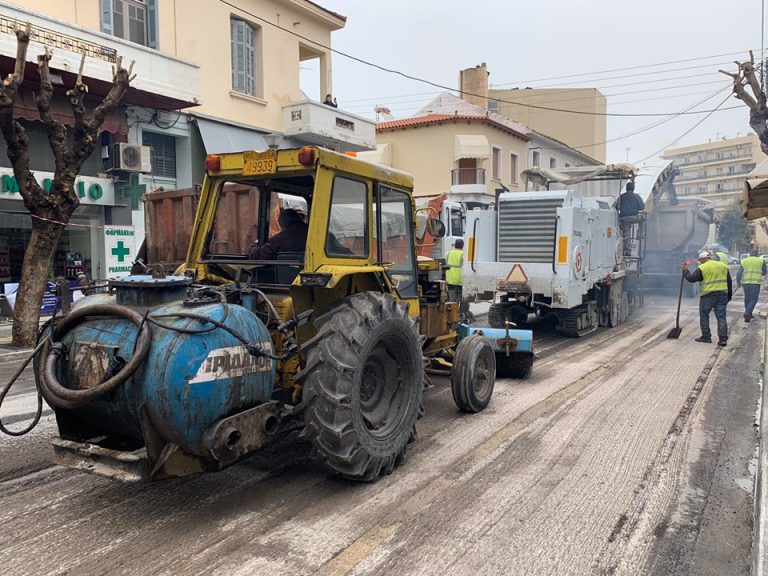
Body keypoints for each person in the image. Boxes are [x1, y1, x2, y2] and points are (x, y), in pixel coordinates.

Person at [683, 251, 733, 346]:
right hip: (722, 295)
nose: (700, 262)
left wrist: (685, 271)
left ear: (702, 259)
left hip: (707, 296)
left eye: (700, 260)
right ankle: (723, 339)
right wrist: (729, 296)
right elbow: (729, 282)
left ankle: (706, 337)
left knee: (704, 315)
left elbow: (692, 278)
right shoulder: (722, 265)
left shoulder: (702, 267)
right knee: (721, 317)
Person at [737, 248, 766, 322]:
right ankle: (748, 312)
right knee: (753, 299)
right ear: (757, 254)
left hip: (745, 283)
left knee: (747, 298)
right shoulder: (761, 261)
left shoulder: (744, 261)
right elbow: (764, 272)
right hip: (755, 283)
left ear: (750, 254)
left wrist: (738, 282)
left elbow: (739, 273)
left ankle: (748, 315)